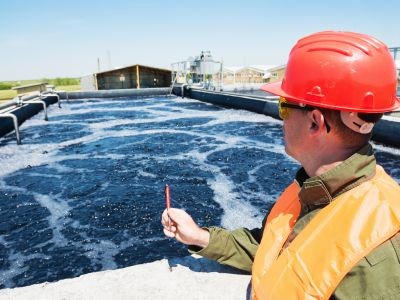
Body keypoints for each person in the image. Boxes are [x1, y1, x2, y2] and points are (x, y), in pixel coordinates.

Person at [161, 31, 400, 299]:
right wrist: (200, 236)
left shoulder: (377, 253)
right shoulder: (311, 191)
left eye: (284, 106)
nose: (280, 118)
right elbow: (269, 251)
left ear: (315, 122)